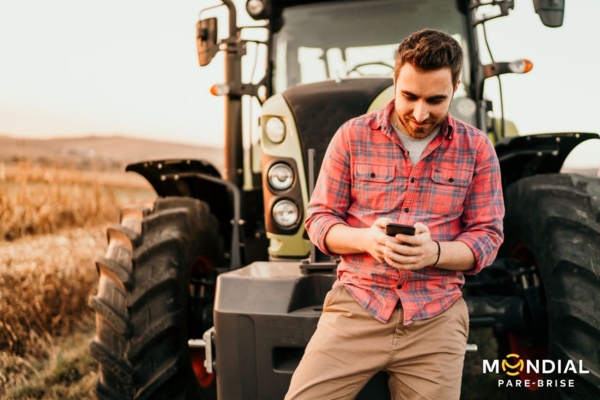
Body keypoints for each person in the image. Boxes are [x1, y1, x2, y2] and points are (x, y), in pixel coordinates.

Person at [285, 29, 504, 400]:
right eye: (409, 96)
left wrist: (433, 253)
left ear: (456, 87)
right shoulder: (351, 136)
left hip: (436, 316)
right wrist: (366, 239)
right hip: (357, 307)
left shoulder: (478, 148)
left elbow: (487, 237)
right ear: (395, 80)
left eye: (436, 100)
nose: (420, 113)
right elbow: (319, 220)